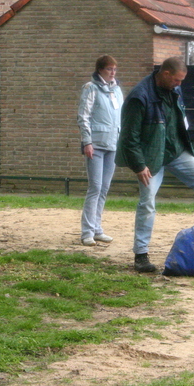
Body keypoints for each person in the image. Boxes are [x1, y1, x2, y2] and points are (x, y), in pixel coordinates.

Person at [116, 56, 194, 272]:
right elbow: (128, 136)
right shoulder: (139, 97)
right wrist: (139, 165)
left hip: (175, 151)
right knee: (147, 201)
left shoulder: (174, 90)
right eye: (177, 80)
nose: (179, 85)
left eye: (181, 81)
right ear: (165, 74)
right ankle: (141, 254)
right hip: (150, 158)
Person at [77, 55, 124, 247]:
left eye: (114, 69)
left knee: (104, 188)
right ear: (100, 71)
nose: (112, 73)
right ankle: (86, 232)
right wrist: (87, 142)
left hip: (113, 144)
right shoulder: (91, 88)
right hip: (95, 144)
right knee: (95, 188)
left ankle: (97, 229)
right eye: (109, 69)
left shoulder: (117, 90)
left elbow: (121, 116)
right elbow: (83, 116)